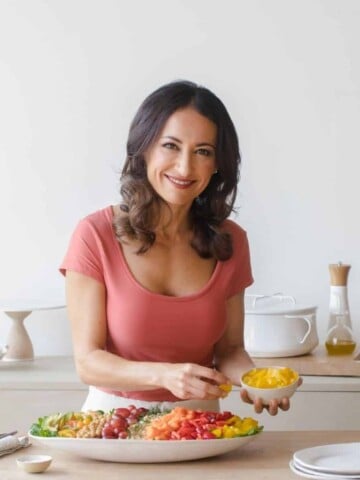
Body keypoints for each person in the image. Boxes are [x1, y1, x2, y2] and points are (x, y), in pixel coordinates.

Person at [60, 80, 295, 416]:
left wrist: (260, 382)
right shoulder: (94, 235)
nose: (185, 168)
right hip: (111, 427)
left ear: (217, 164)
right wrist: (166, 375)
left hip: (204, 428)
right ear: (144, 148)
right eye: (170, 146)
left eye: (203, 151)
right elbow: (88, 361)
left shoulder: (231, 241)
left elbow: (229, 350)